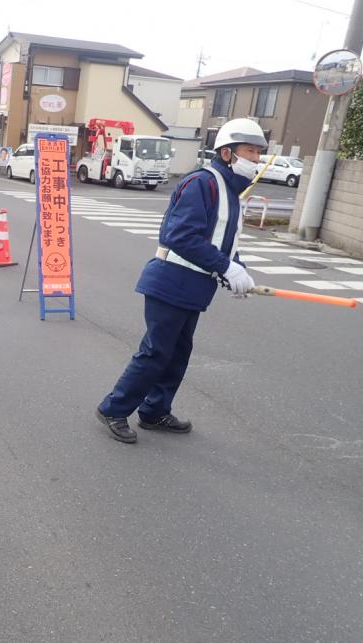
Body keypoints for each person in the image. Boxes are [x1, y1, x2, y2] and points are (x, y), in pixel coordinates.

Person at [95, 118, 267, 444]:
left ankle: (154, 411)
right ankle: (113, 408)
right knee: (156, 351)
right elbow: (181, 236)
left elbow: (223, 243)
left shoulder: (231, 192)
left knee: (178, 353)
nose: (256, 158)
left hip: (193, 287)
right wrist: (226, 268)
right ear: (228, 153)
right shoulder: (203, 182)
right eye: (250, 151)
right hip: (171, 281)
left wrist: (237, 272)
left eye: (259, 152)